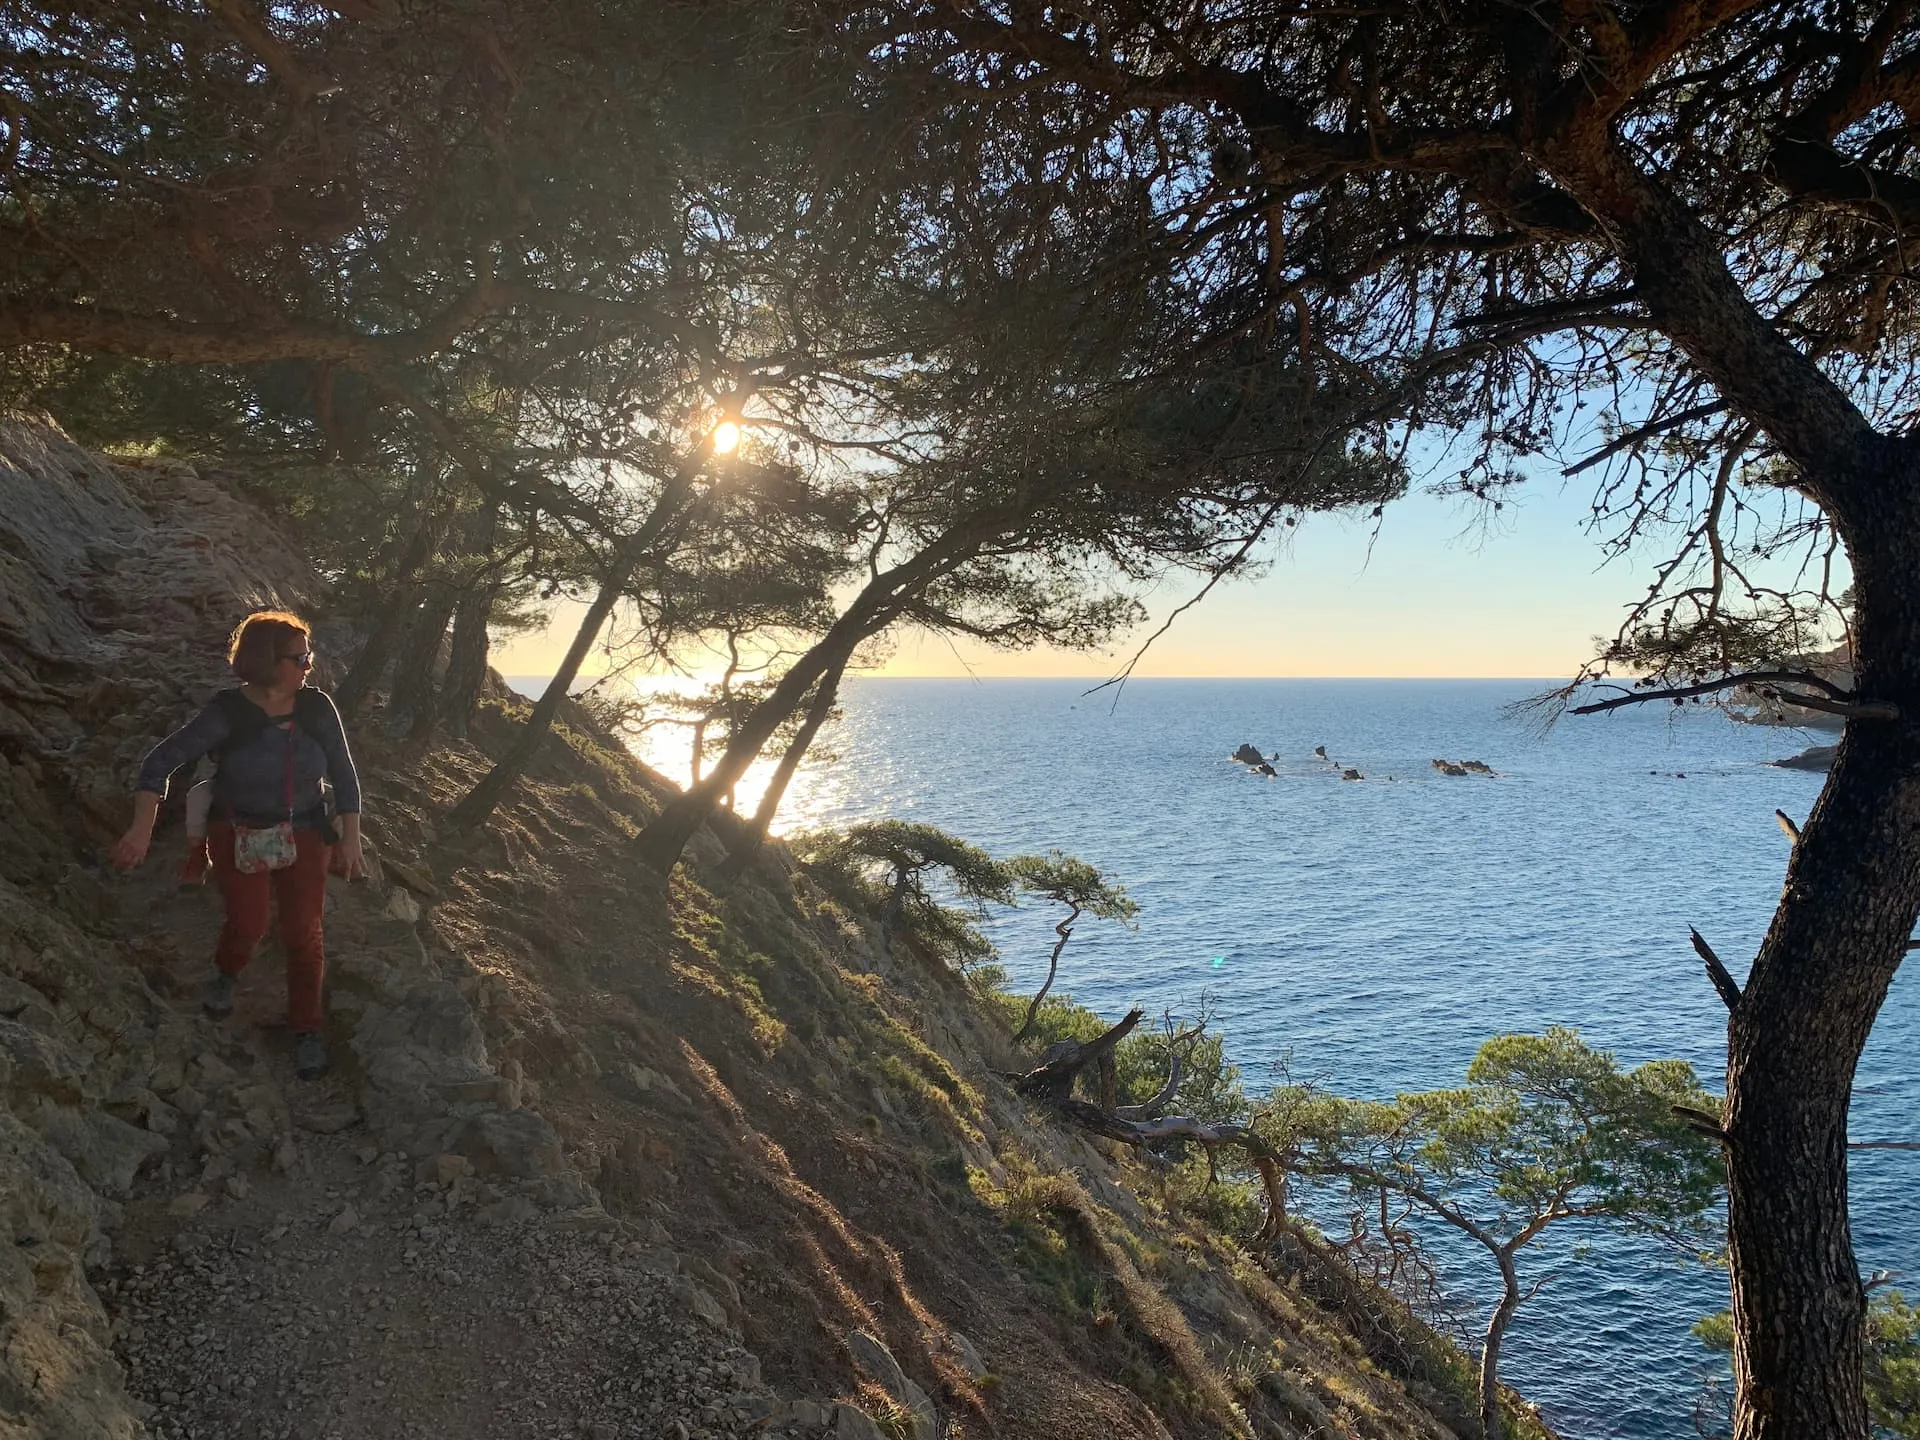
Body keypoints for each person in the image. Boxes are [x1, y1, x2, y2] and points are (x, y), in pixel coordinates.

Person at [111, 611, 366, 1080]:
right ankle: (227, 973)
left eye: (307, 656)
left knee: (304, 933)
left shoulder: (317, 708)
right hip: (237, 830)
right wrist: (141, 828)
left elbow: (344, 773)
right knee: (249, 922)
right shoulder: (227, 713)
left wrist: (351, 836)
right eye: (300, 657)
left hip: (307, 830)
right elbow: (158, 763)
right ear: (268, 660)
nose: (309, 665)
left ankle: (306, 1029)